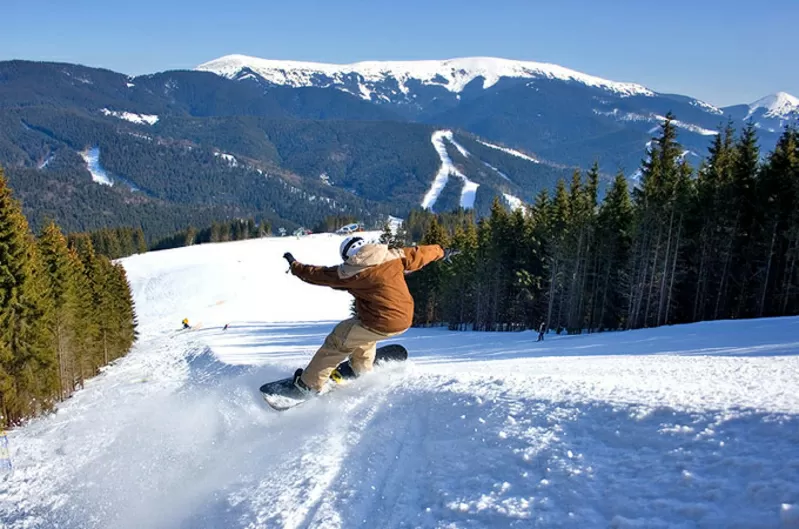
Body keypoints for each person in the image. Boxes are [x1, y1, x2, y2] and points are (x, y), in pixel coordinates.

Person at [283, 236, 459, 395]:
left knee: (339, 340)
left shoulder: (349, 273)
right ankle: (360, 367)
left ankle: (307, 385)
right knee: (360, 331)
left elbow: (318, 275)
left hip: (381, 321)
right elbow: (419, 253)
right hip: (404, 317)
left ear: (349, 257)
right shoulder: (394, 256)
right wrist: (442, 251)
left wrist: (295, 266)